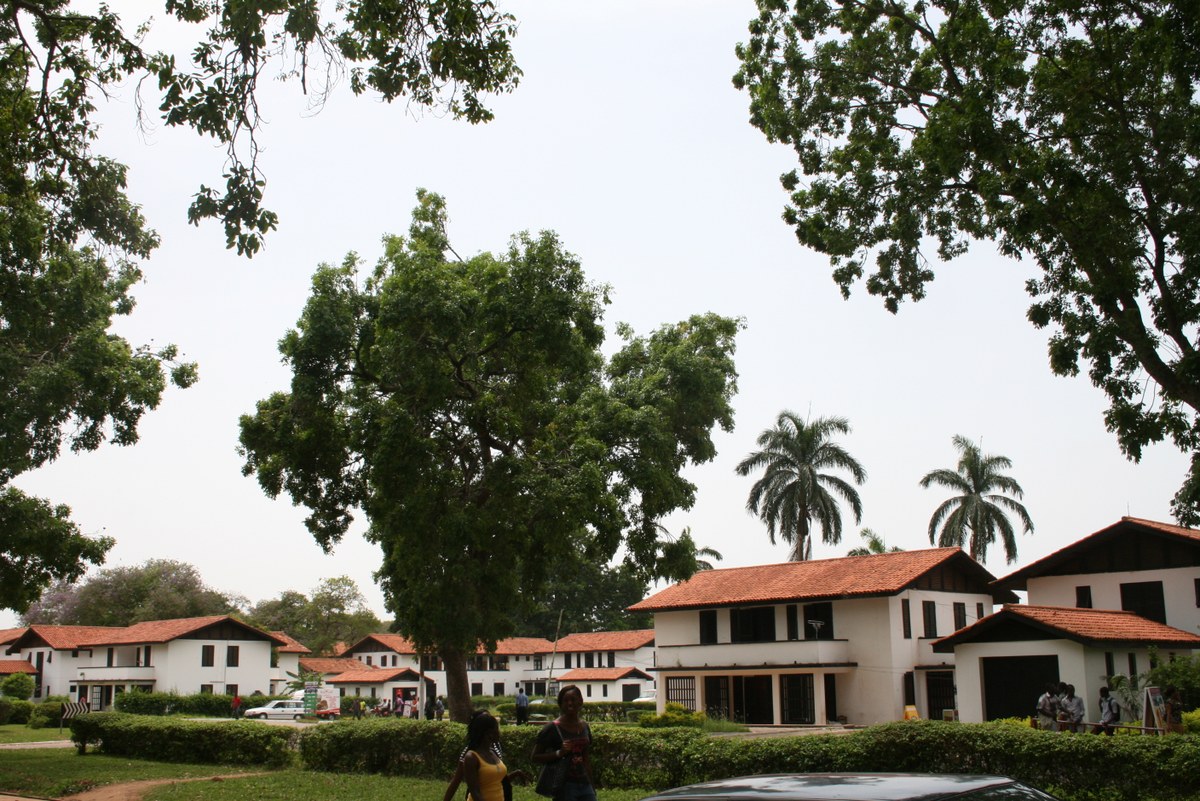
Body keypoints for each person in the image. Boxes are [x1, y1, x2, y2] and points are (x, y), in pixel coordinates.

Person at [532, 684, 595, 801]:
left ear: (580, 701)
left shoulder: (585, 727)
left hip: (585, 784)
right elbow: (535, 757)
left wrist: (592, 786)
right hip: (564, 786)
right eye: (565, 700)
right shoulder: (551, 728)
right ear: (560, 704)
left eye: (573, 699)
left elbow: (586, 759)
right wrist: (559, 753)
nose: (569, 703)